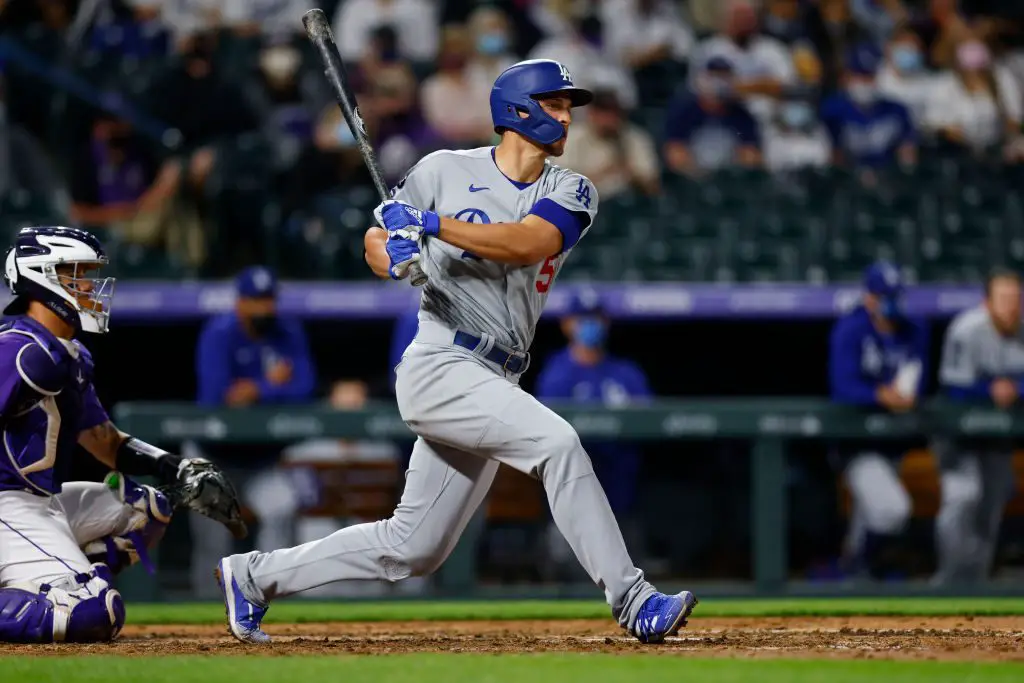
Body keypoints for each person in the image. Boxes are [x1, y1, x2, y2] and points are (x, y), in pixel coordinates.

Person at [217, 58, 697, 645]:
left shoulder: (572, 188)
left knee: (411, 548)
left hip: (498, 373)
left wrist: (430, 224)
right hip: (441, 361)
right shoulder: (442, 168)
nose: (567, 115)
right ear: (517, 109)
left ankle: (251, 576)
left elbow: (527, 243)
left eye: (568, 105)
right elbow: (375, 239)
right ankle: (632, 598)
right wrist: (390, 251)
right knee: (558, 444)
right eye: (554, 102)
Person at [0, 226, 243, 643]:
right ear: (41, 275)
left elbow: (104, 441)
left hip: (40, 503)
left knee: (146, 507)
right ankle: (66, 584)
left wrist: (174, 466)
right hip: (7, 506)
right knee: (95, 613)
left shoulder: (65, 353)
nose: (90, 286)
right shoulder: (21, 348)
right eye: (75, 274)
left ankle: (54, 573)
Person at [188, 265, 316, 596]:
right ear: (240, 302)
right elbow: (217, 398)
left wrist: (257, 390)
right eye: (256, 300)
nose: (264, 308)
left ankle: (267, 597)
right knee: (212, 535)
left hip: (260, 460)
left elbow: (304, 388)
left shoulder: (288, 332)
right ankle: (205, 610)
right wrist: (272, 385)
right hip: (213, 457)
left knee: (282, 506)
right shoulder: (219, 333)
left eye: (269, 300)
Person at [535, 290, 652, 575]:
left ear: (606, 322)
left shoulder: (626, 373)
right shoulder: (556, 373)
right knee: (565, 578)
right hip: (571, 496)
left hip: (622, 495)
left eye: (595, 318)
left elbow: (651, 422)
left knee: (629, 576)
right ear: (566, 324)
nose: (589, 324)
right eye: (582, 318)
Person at [828, 262, 929, 579]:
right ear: (870, 297)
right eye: (885, 295)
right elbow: (842, 386)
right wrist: (879, 395)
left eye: (896, 294)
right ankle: (859, 565)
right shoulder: (851, 328)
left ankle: (854, 574)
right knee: (890, 510)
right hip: (856, 443)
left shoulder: (915, 329)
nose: (892, 301)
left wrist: (909, 395)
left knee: (869, 516)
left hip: (894, 442)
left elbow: (917, 377)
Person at [933, 269, 1024, 585]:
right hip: (958, 434)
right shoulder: (966, 329)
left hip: (997, 436)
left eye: (1016, 299)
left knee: (993, 503)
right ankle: (950, 579)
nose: (1012, 306)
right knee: (963, 497)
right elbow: (951, 385)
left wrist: (1016, 389)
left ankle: (976, 581)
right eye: (1004, 299)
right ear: (987, 302)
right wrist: (988, 391)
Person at [820, 44, 917, 170]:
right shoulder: (832, 110)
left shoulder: (896, 110)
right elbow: (834, 156)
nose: (864, 83)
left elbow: (908, 156)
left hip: (889, 180)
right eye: (859, 76)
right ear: (846, 76)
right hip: (849, 179)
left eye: (869, 76)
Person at [664, 57, 762, 176]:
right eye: (714, 76)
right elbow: (675, 152)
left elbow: (750, 154)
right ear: (702, 79)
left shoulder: (741, 115)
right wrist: (698, 174)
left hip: (730, 179)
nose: (719, 83)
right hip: (693, 179)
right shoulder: (684, 111)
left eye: (724, 77)